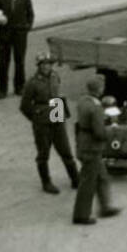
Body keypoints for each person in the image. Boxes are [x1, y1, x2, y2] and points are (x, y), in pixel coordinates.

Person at [20, 53, 80, 194]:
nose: (47, 66)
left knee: (65, 150)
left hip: (57, 110)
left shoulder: (55, 76)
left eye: (49, 64)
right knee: (43, 153)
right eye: (44, 64)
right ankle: (46, 182)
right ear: (39, 66)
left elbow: (57, 93)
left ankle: (76, 179)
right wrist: (36, 118)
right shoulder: (32, 83)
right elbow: (25, 106)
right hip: (42, 118)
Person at [72, 75, 121, 225]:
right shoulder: (96, 107)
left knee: (102, 177)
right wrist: (112, 131)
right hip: (92, 148)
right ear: (99, 90)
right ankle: (81, 215)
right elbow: (99, 132)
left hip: (83, 144)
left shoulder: (83, 101)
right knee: (88, 182)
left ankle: (105, 207)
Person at [0, 0, 34, 98]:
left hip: (20, 33)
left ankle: (19, 87)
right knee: (4, 62)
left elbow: (30, 13)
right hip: (5, 33)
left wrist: (28, 27)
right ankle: (2, 90)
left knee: (19, 61)